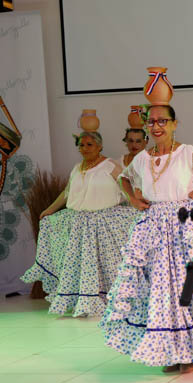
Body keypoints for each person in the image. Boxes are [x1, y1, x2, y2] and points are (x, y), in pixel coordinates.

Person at [100, 104, 193, 373]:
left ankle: (192, 350)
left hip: (183, 225)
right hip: (154, 227)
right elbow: (124, 178)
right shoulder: (142, 158)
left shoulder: (189, 152)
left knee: (185, 286)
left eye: (162, 121)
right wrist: (133, 198)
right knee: (159, 289)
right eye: (152, 122)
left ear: (174, 124)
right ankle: (171, 349)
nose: (157, 126)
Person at [21, 132, 139, 316]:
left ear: (99, 146)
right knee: (80, 263)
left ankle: (115, 300)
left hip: (103, 222)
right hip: (78, 223)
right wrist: (51, 209)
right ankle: (83, 301)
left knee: (107, 262)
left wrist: (137, 204)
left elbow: (127, 187)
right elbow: (67, 192)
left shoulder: (110, 166)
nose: (85, 148)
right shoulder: (77, 168)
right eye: (82, 145)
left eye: (89, 144)